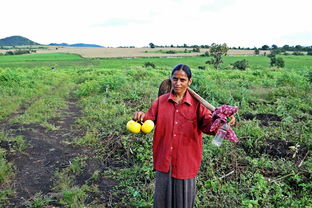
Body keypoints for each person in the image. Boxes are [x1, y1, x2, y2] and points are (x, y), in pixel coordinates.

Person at [133, 64, 235, 208]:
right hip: (165, 160)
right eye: (175, 79)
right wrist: (140, 117)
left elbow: (208, 126)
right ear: (171, 79)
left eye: (182, 80)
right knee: (162, 201)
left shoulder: (197, 105)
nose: (178, 83)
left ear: (189, 81)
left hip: (186, 161)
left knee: (183, 202)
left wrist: (221, 121)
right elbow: (147, 122)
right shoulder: (160, 102)